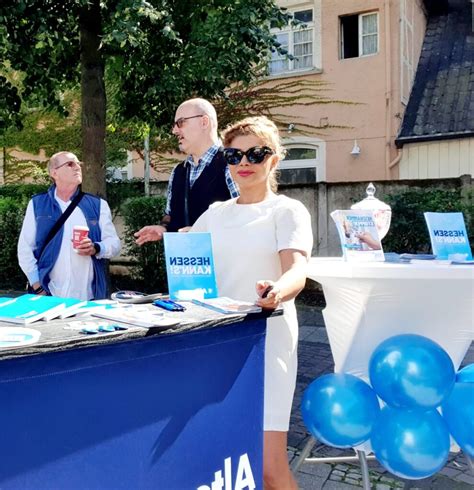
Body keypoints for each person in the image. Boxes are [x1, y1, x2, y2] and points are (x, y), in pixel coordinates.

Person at [191, 116, 313, 489]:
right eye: (234, 155)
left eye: (255, 154)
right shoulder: (215, 213)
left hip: (266, 338)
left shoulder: (287, 211)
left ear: (273, 159)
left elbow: (297, 270)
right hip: (218, 340)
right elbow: (187, 255)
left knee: (269, 464)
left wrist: (277, 290)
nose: (244, 163)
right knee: (227, 457)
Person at [18, 151, 121, 300]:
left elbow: (114, 243)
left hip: (88, 296)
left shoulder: (98, 205)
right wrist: (38, 287)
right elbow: (25, 248)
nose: (77, 167)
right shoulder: (37, 204)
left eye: (79, 164)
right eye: (70, 164)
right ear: (54, 173)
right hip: (48, 295)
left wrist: (96, 248)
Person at [134, 97, 239, 245]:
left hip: (225, 264)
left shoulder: (232, 163)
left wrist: (203, 231)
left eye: (181, 123)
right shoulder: (178, 172)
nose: (174, 130)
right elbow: (170, 217)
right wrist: (163, 228)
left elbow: (247, 217)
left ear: (204, 122)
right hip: (186, 266)